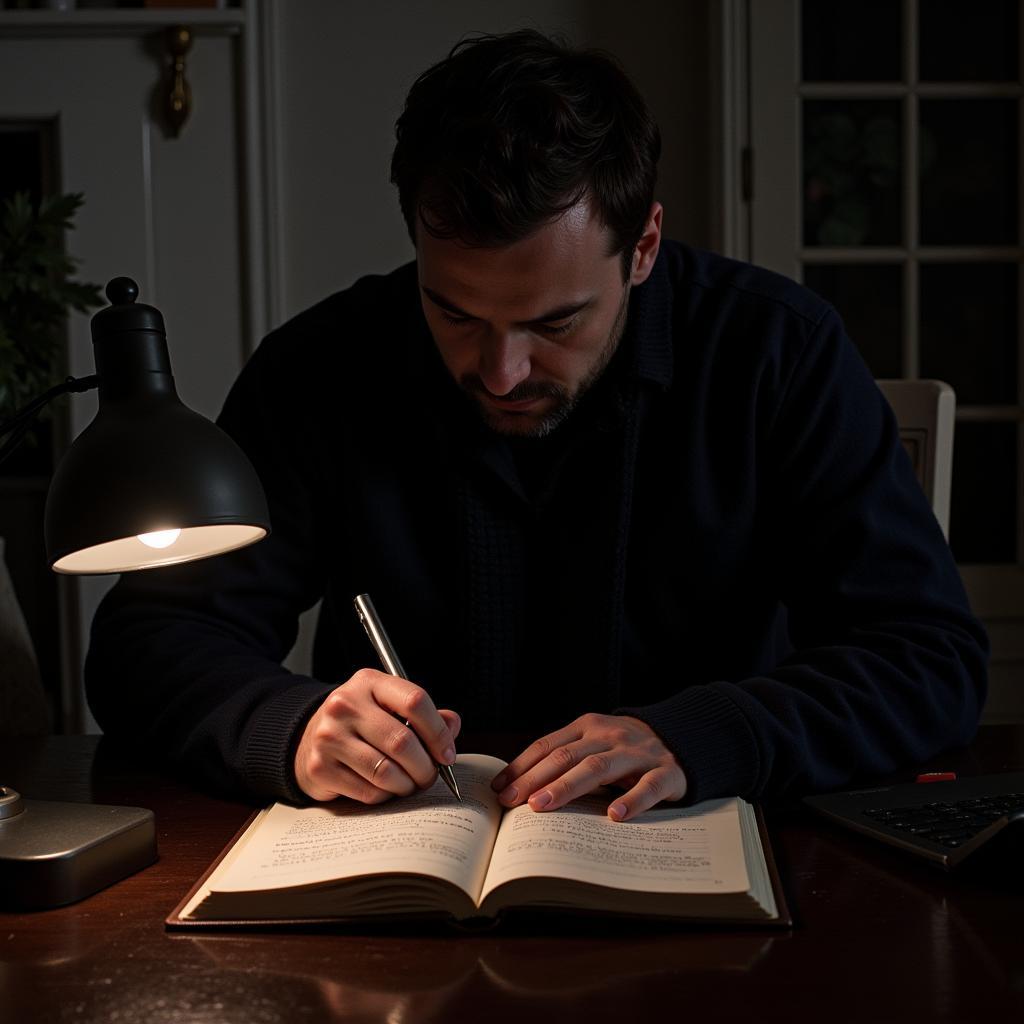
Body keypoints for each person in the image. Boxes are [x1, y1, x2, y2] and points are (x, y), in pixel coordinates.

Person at [86, 30, 988, 820]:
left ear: (642, 250)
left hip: (724, 881)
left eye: (554, 324)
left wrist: (708, 734)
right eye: (454, 314)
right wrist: (287, 728)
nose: (500, 371)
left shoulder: (778, 353)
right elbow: (147, 647)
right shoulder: (324, 367)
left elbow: (928, 658)